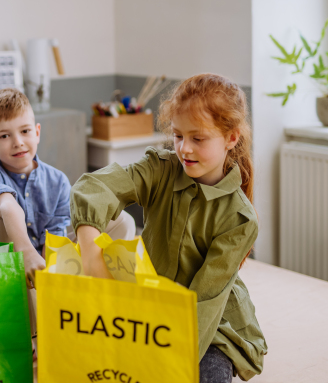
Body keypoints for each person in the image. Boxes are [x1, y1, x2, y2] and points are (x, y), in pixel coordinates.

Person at [70, 74, 267, 382]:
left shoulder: (239, 220)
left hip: (211, 327)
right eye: (177, 136)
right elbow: (95, 185)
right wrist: (90, 244)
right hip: (150, 308)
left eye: (198, 138)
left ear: (231, 138)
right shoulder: (160, 169)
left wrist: (162, 361)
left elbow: (202, 306)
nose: (184, 149)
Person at [0, 88, 135, 285]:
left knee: (124, 221)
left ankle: (102, 282)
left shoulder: (57, 180)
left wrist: (47, 271)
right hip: (10, 256)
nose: (18, 142)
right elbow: (7, 207)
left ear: (36, 132)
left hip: (46, 254)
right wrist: (26, 253)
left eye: (25, 131)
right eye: (4, 136)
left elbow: (55, 235)